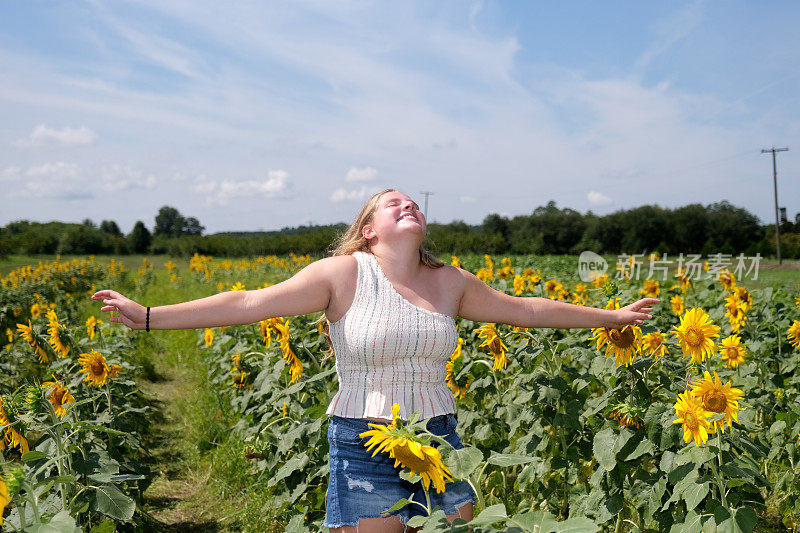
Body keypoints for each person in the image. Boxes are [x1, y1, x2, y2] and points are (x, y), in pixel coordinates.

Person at [92, 189, 658, 532]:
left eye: (412, 202)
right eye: (393, 203)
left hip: (439, 439)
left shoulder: (450, 282)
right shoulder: (343, 275)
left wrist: (611, 317)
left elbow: (526, 310)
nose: (407, 204)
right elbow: (248, 302)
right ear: (369, 230)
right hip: (364, 438)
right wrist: (148, 315)